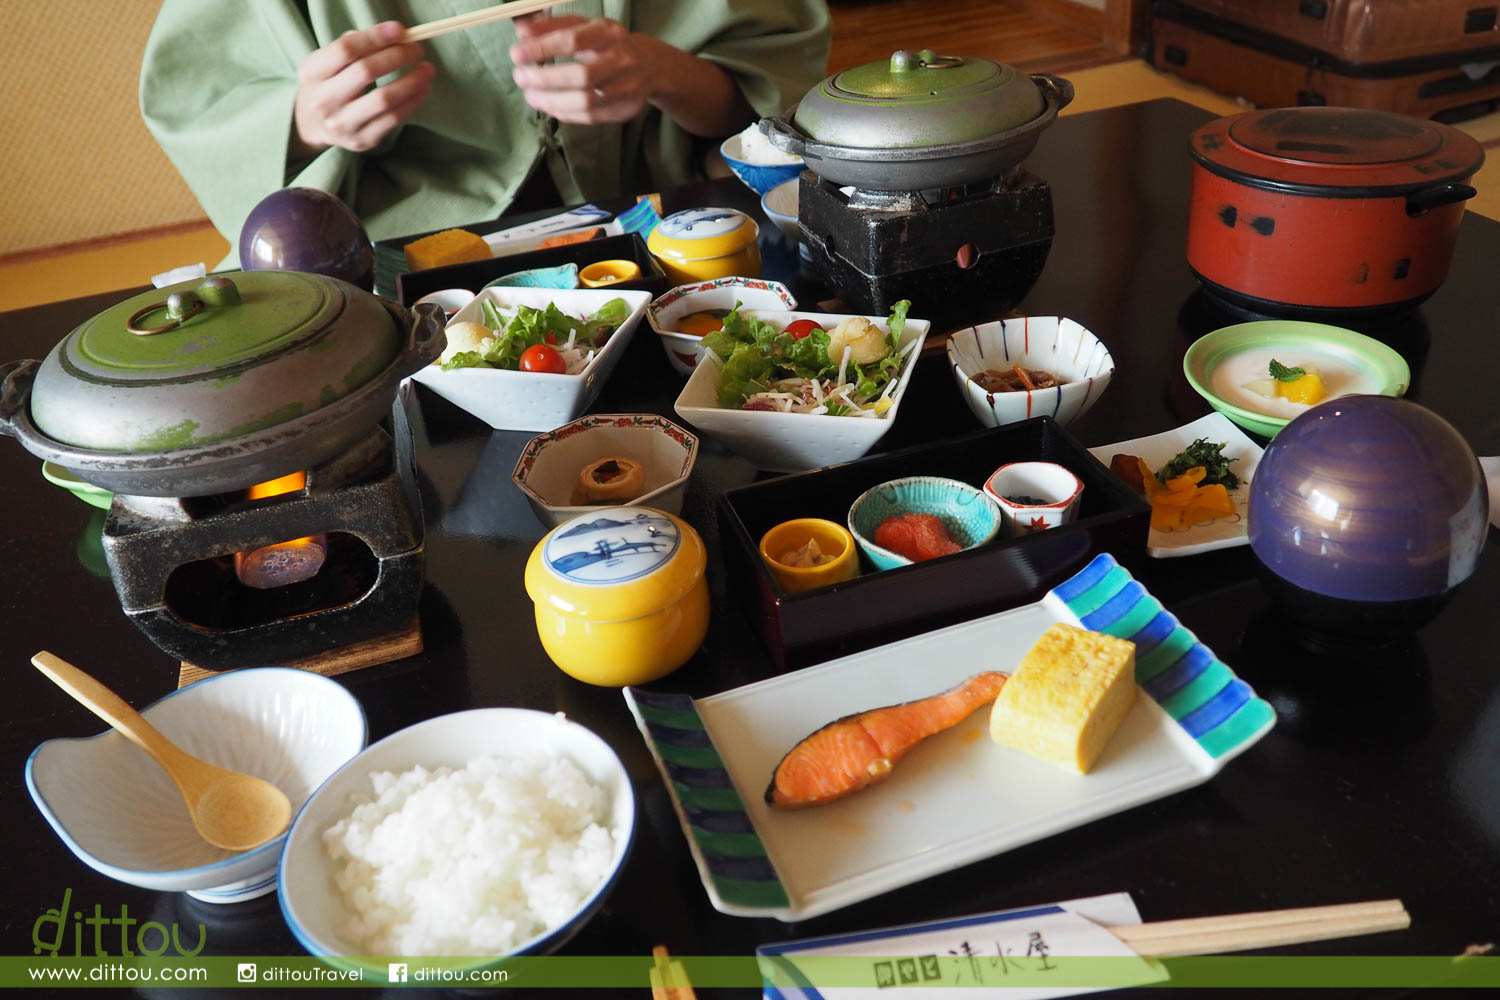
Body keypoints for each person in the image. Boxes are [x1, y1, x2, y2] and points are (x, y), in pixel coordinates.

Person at [140, 1, 831, 261]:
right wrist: (307, 120)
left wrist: (660, 71)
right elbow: (207, 100)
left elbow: (766, 116)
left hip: (656, 228)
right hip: (398, 255)